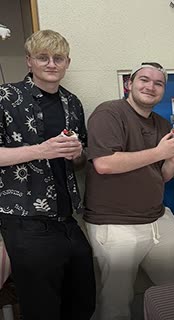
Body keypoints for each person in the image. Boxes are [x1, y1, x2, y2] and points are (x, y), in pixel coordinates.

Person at [0, 30, 95, 320]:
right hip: (25, 220)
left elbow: (78, 161)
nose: (51, 64)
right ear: (29, 61)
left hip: (67, 218)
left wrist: (77, 153)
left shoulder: (73, 102)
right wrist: (42, 149)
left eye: (58, 58)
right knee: (42, 309)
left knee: (82, 302)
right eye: (43, 57)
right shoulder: (5, 97)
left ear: (67, 62)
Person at [84, 62, 174, 320]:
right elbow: (104, 164)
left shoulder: (163, 125)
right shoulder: (109, 113)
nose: (150, 86)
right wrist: (159, 152)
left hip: (158, 220)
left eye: (158, 83)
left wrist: (173, 159)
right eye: (144, 80)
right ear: (128, 84)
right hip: (116, 224)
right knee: (116, 300)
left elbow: (161, 175)